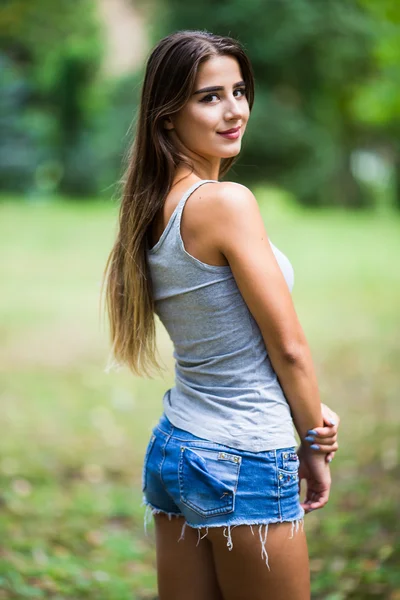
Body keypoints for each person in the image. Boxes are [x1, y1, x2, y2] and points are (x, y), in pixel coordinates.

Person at [102, 30, 340, 600]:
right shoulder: (225, 203)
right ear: (166, 117)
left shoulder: (153, 205)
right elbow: (289, 347)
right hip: (246, 456)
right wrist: (314, 441)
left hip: (178, 446)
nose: (235, 110)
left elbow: (227, 338)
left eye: (239, 91)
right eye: (210, 97)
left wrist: (304, 409)